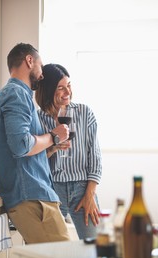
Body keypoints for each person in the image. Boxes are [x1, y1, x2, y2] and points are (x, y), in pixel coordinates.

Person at [0, 43, 71, 244]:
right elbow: (21, 145)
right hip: (33, 198)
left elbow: (22, 147)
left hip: (33, 196)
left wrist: (49, 147)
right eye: (40, 67)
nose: (42, 74)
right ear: (29, 61)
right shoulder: (17, 94)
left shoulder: (14, 94)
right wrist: (54, 136)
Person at [35, 63, 102, 240]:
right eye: (61, 88)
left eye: (69, 85)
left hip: (82, 189)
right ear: (49, 90)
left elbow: (94, 156)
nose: (68, 92)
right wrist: (53, 147)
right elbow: (36, 158)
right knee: (47, 249)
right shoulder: (38, 118)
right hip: (51, 189)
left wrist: (90, 195)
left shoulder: (84, 113)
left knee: (94, 246)